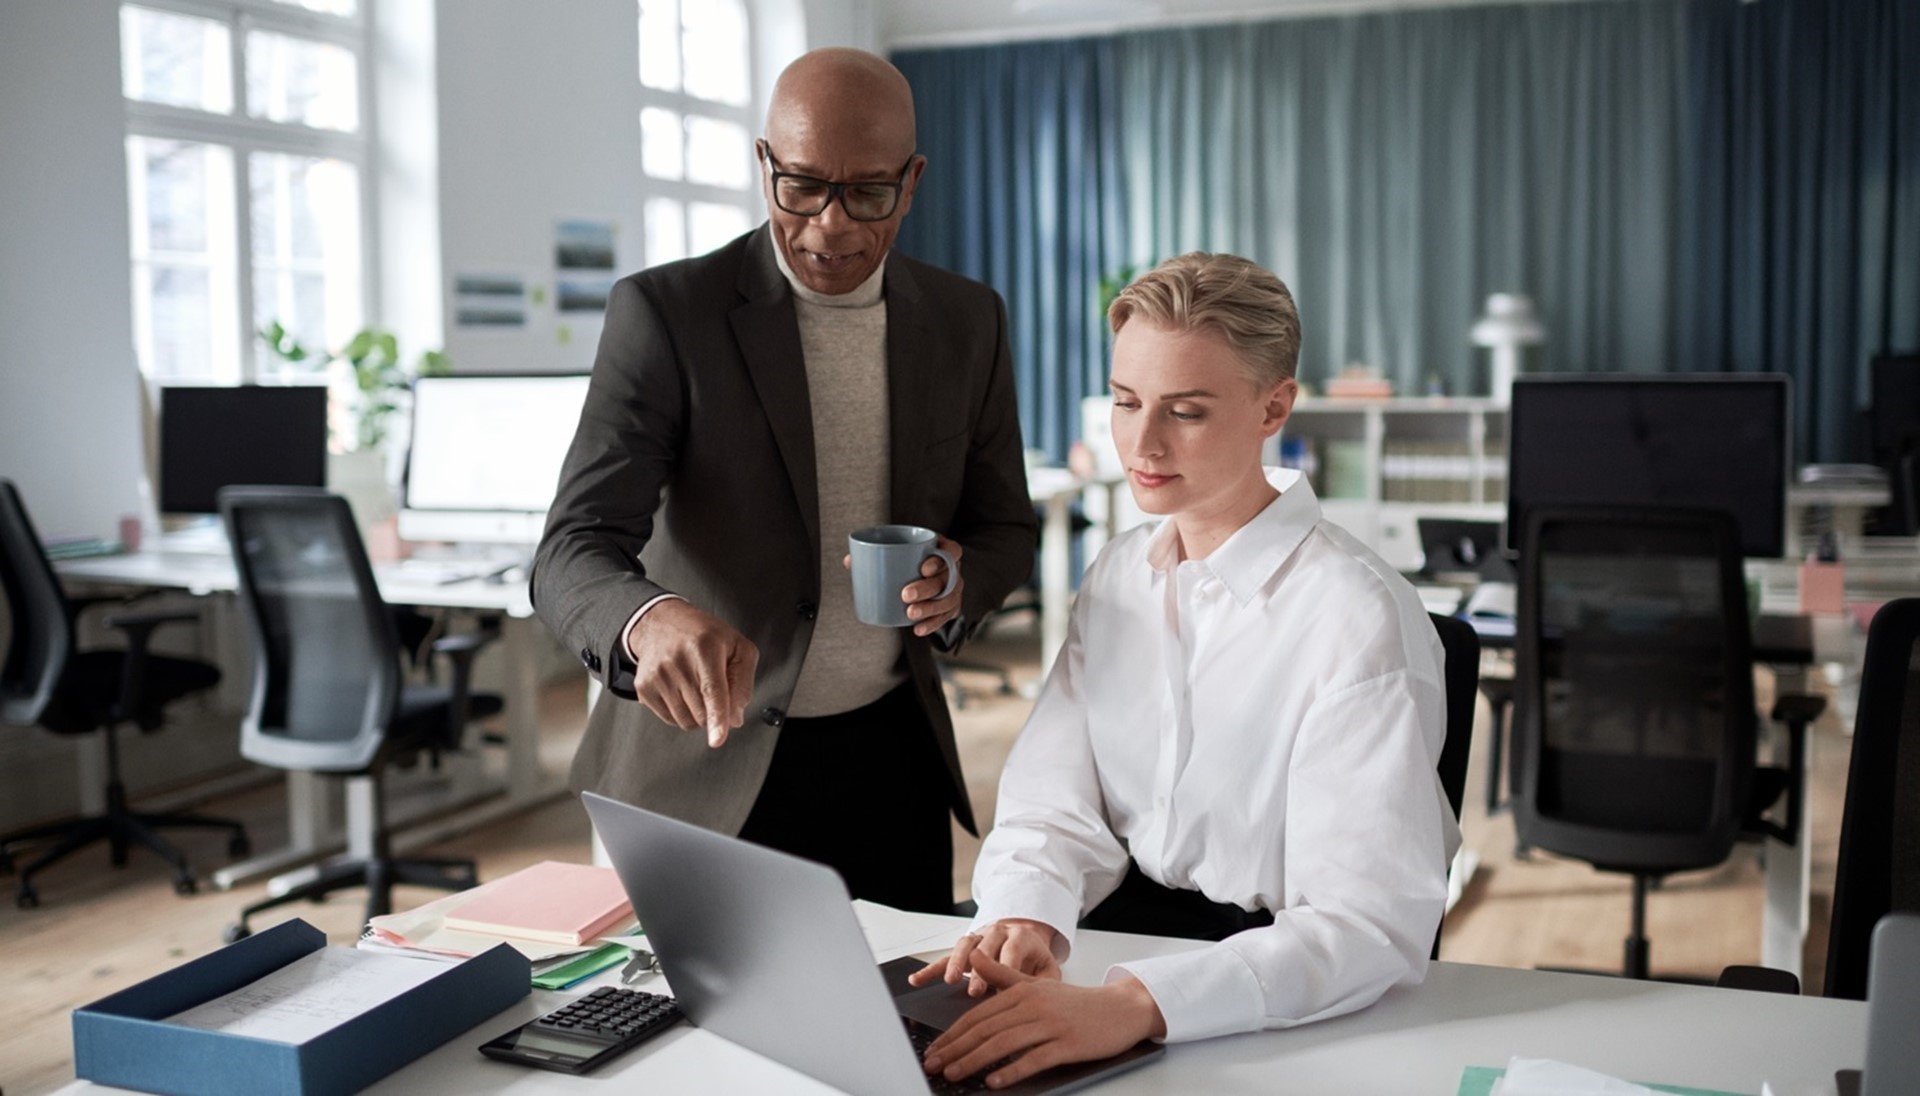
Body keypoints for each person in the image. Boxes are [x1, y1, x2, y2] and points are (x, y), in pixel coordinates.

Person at [910, 253, 1460, 1088]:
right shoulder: (1121, 573)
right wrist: (1027, 912)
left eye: (1187, 412)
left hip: (1279, 980)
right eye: (1127, 402)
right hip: (1120, 933)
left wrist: (1139, 1006)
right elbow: (1055, 794)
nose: (1143, 442)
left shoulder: (1356, 618)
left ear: (1274, 405)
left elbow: (1368, 925)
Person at [532, 48, 1037, 914]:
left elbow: (1006, 527)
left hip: (891, 761)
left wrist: (958, 583)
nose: (829, 226)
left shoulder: (967, 320)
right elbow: (571, 548)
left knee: (895, 1035)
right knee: (693, 1047)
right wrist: (646, 621)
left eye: (867, 193)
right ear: (763, 164)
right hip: (702, 769)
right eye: (800, 186)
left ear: (911, 183)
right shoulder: (667, 316)